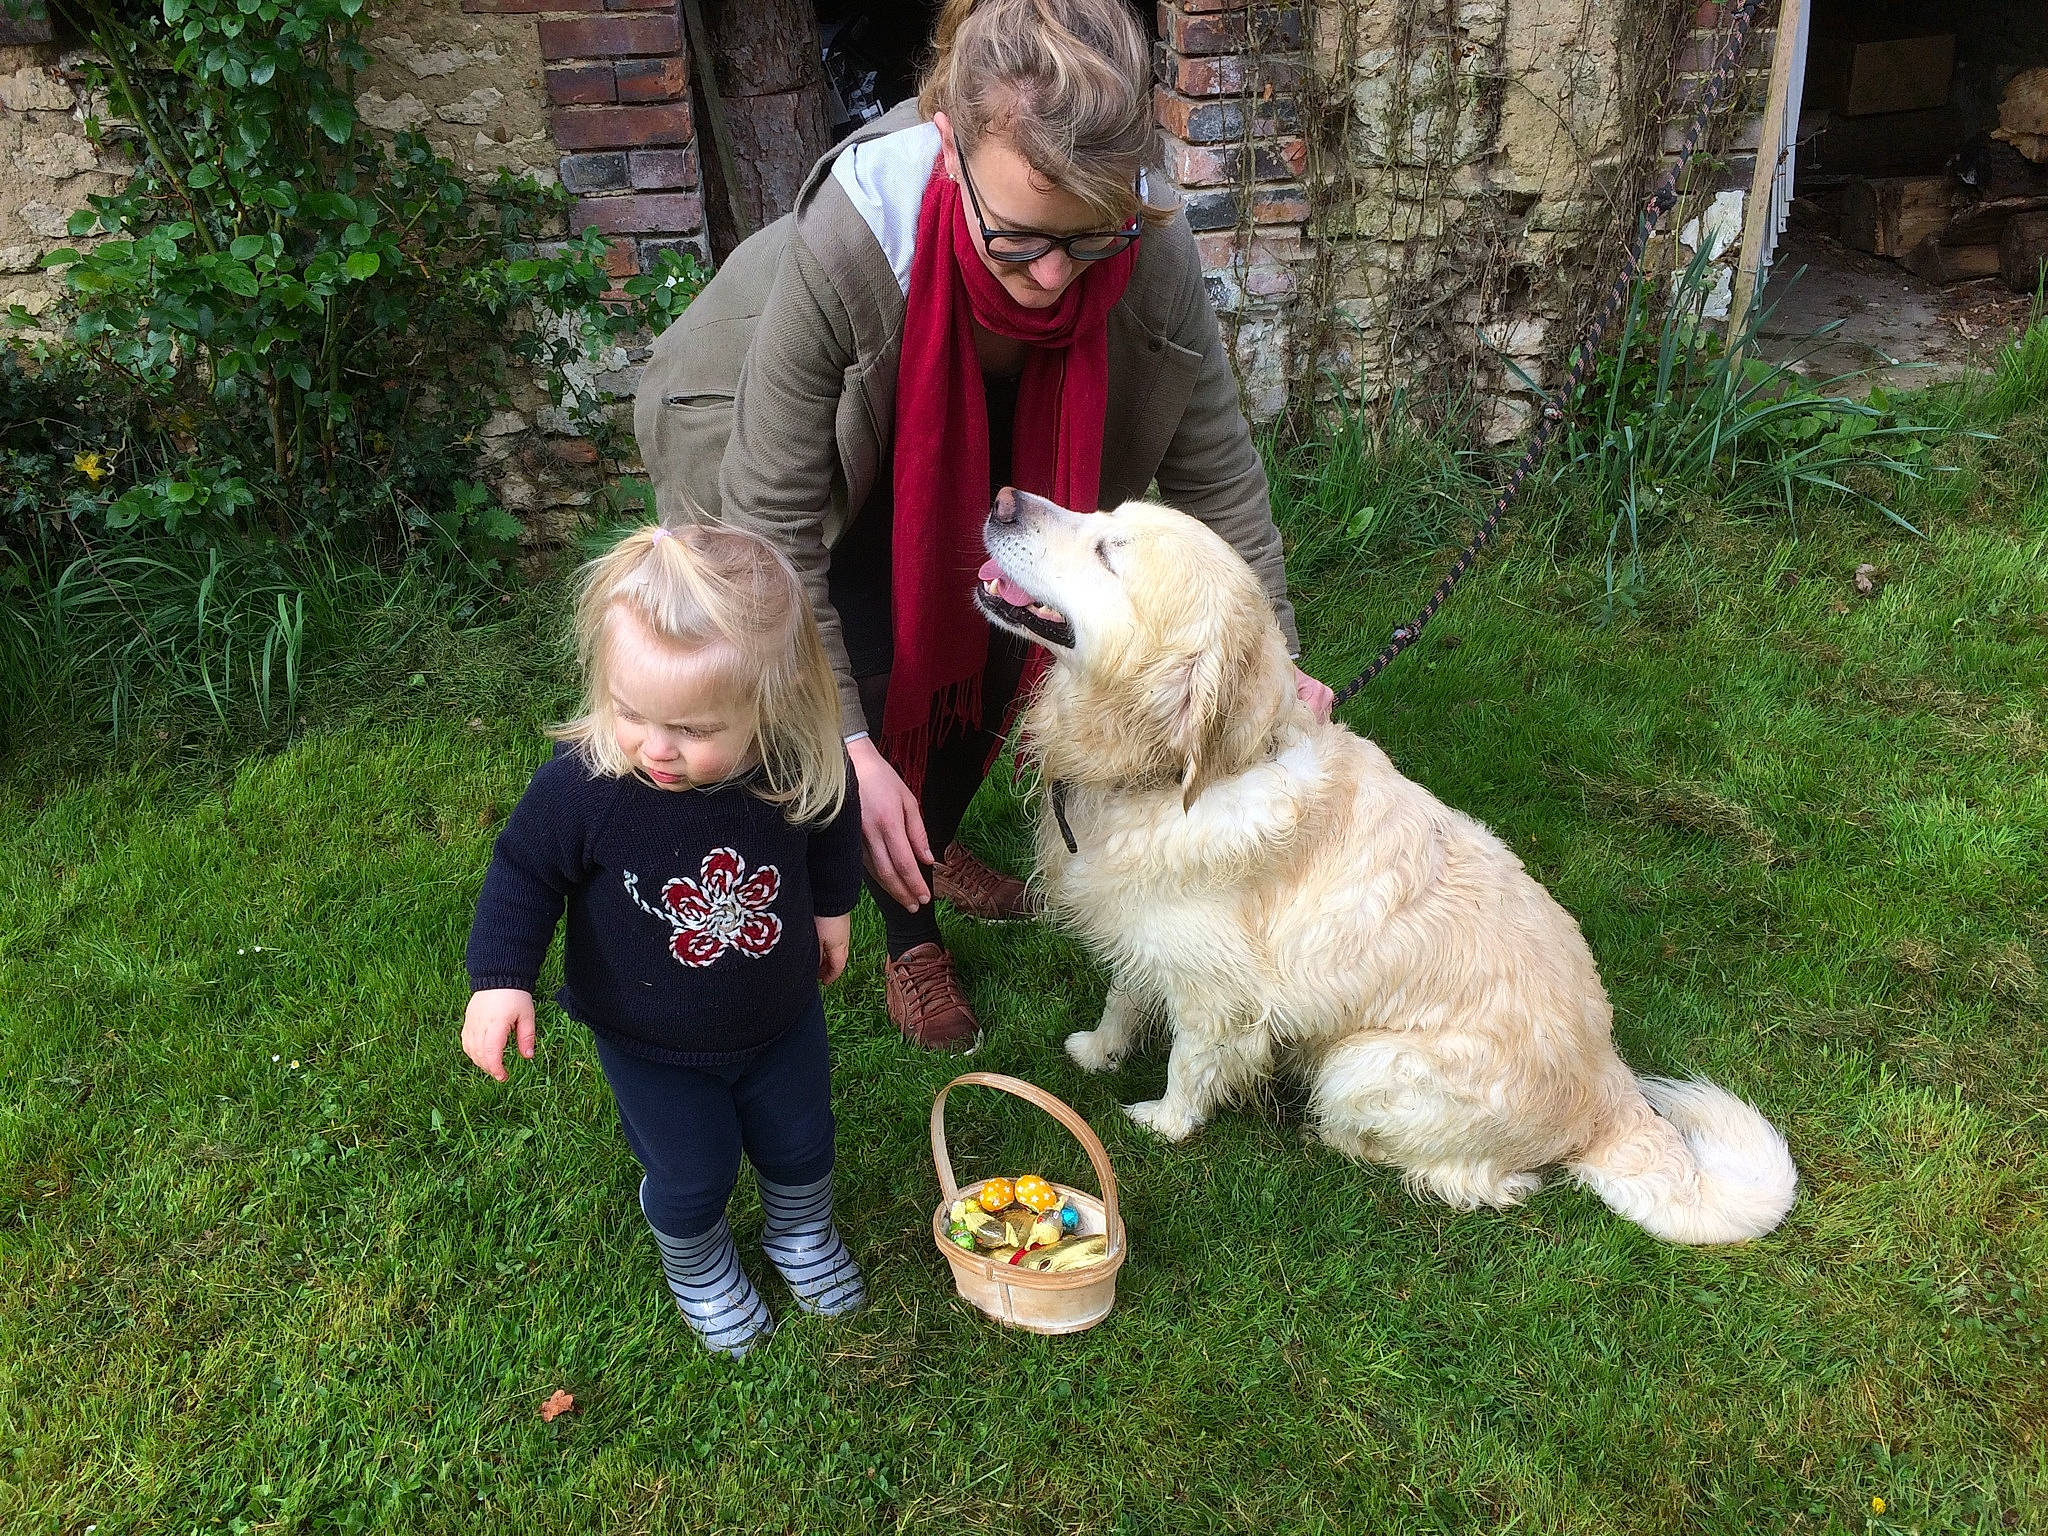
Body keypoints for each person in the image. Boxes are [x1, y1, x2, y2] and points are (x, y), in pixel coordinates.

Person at [634, 0, 1333, 1052]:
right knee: (876, 663)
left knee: (1012, 627)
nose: (1053, 275)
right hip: (794, 428)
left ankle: (934, 833)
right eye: (1018, 236)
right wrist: (855, 751)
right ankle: (906, 928)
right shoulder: (852, 235)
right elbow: (771, 525)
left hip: (1006, 407)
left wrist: (1278, 666)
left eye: (1085, 236)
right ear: (949, 148)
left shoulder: (1147, 249)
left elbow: (1218, 479)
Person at [460, 523, 865, 1358]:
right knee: (692, 1170)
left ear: (769, 700)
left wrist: (831, 910)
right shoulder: (588, 785)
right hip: (648, 1037)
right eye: (631, 712)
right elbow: (525, 871)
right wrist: (502, 978)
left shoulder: (787, 759)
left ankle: (798, 1233)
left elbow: (829, 819)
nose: (655, 746)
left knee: (802, 1139)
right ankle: (699, 1260)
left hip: (781, 1014)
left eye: (690, 728)